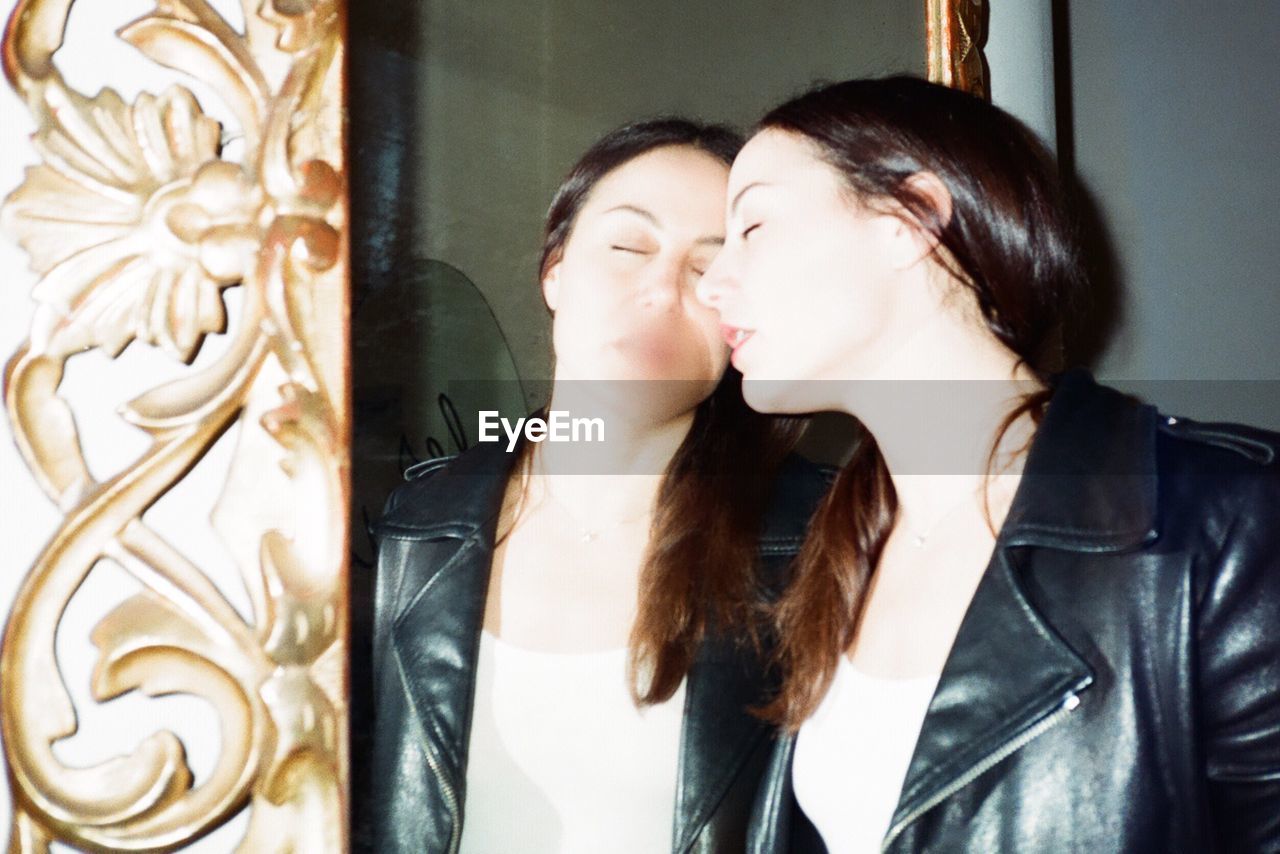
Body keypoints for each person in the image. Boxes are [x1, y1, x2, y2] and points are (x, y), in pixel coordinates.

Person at [695, 76, 1280, 853]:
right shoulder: (825, 555)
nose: (710, 283)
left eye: (754, 225)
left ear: (913, 218)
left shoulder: (1224, 525)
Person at [359, 118, 830, 853]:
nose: (661, 292)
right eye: (627, 247)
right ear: (555, 271)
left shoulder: (816, 541)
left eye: (707, 270)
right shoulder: (418, 526)